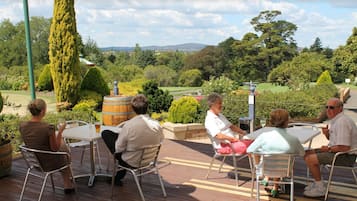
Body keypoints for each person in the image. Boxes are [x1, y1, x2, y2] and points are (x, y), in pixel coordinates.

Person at [101, 94, 164, 185]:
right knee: (120, 137)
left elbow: (118, 149)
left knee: (106, 134)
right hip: (149, 159)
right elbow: (161, 140)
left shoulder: (129, 125)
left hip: (132, 161)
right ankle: (118, 177)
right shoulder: (157, 124)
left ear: (133, 109)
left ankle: (118, 177)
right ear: (147, 107)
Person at [303, 97, 357, 197]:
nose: (328, 110)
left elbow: (344, 147)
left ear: (340, 109)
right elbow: (335, 141)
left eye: (331, 107)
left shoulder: (342, 122)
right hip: (337, 152)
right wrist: (327, 134)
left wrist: (327, 149)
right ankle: (318, 182)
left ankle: (320, 188)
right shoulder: (336, 120)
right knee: (307, 153)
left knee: (310, 159)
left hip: (345, 157)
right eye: (326, 107)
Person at [19, 99, 75, 194]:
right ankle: (68, 182)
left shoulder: (23, 126)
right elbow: (55, 149)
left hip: (34, 162)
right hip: (48, 163)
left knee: (63, 149)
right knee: (64, 150)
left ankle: (68, 181)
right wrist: (60, 132)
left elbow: (33, 142)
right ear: (43, 111)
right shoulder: (48, 127)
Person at [246, 108, 305, 197]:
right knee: (280, 159)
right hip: (285, 171)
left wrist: (261, 152)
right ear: (287, 122)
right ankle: (275, 186)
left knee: (259, 153)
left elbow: (249, 150)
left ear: (271, 121)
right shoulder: (293, 139)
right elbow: (302, 153)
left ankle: (265, 178)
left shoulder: (264, 137)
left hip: (265, 171)